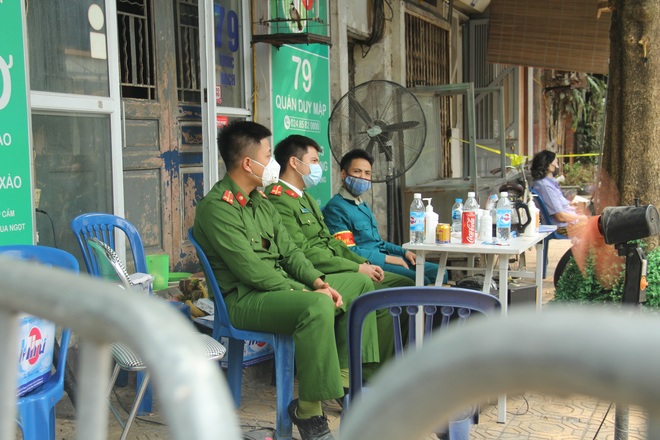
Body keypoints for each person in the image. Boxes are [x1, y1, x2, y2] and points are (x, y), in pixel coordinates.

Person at [194, 122, 380, 440]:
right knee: (316, 306)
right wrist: (309, 291)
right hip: (244, 300)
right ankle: (308, 412)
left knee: (360, 286)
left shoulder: (261, 201)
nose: (274, 164)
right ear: (247, 163)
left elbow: (292, 252)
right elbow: (251, 271)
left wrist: (318, 281)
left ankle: (348, 381)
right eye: (269, 156)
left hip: (279, 290)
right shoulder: (217, 209)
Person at [321, 148, 442, 285]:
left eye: (367, 173)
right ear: (343, 174)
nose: (363, 177)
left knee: (439, 272)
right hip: (370, 263)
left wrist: (404, 252)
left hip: (385, 257)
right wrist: (390, 259)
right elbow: (348, 251)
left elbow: (379, 243)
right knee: (420, 281)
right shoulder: (336, 208)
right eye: (357, 171)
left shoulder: (362, 205)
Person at [530, 150, 588, 235]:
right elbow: (560, 217)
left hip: (567, 222)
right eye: (555, 162)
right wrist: (582, 218)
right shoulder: (545, 187)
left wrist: (570, 206)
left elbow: (558, 205)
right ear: (548, 165)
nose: (557, 165)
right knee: (596, 227)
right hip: (562, 227)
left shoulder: (549, 182)